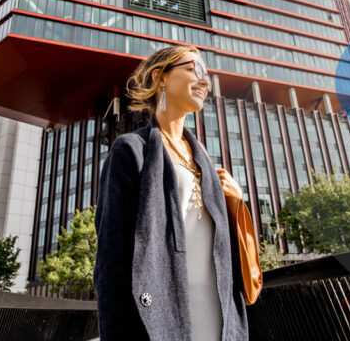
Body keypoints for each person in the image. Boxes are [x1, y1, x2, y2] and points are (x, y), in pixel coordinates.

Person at [93, 45, 249, 340]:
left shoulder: (203, 158)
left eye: (208, 76)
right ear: (160, 77)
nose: (204, 82)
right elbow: (111, 259)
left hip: (219, 316)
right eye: (194, 70)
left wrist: (236, 200)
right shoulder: (131, 151)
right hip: (160, 318)